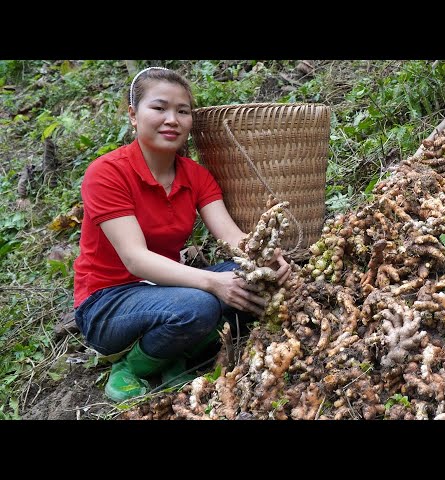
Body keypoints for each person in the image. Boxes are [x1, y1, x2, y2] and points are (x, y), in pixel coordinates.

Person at [73, 66, 291, 402]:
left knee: (256, 281)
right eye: (159, 108)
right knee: (199, 304)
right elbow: (136, 258)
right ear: (133, 115)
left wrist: (264, 258)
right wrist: (212, 283)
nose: (172, 119)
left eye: (182, 111)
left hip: (167, 287)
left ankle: (177, 354)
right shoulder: (107, 173)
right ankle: (131, 367)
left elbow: (231, 237)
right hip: (108, 302)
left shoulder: (196, 175)